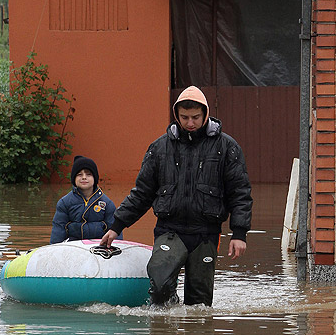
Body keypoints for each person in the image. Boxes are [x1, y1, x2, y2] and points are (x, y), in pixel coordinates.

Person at [100, 86, 252, 306]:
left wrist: (239, 233)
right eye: (185, 117)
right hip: (170, 230)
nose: (190, 123)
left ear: (206, 114)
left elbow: (240, 193)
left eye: (195, 117)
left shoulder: (227, 147)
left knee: (199, 305)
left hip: (206, 234)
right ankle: (166, 321)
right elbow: (142, 193)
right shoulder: (159, 148)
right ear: (176, 115)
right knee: (160, 284)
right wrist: (116, 226)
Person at [50, 156, 121, 243]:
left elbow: (115, 229)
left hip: (99, 248)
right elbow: (58, 230)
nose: (84, 177)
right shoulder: (64, 203)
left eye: (88, 174)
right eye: (79, 174)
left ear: (95, 178)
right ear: (74, 179)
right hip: (72, 247)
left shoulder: (107, 203)